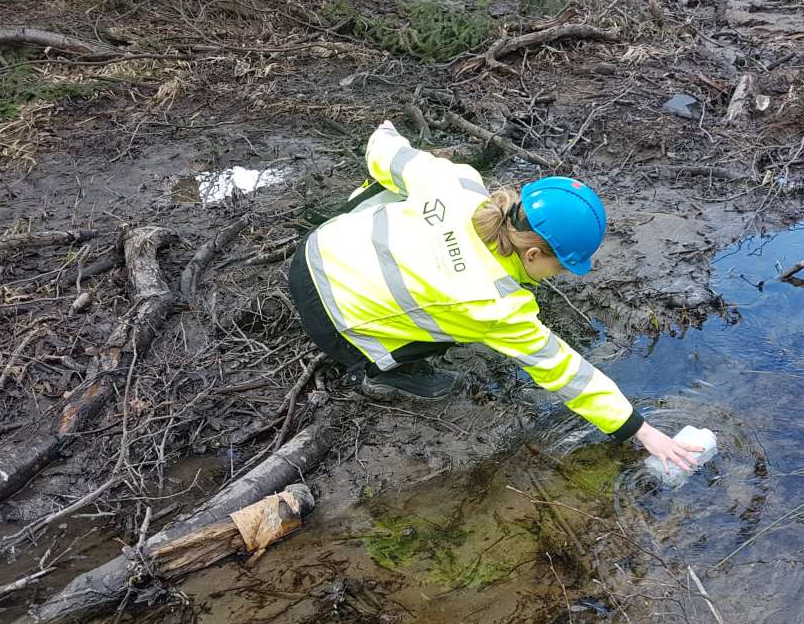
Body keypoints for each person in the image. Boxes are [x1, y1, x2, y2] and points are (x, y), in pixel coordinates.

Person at [287, 120, 701, 472]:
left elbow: (385, 148)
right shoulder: (496, 306)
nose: (561, 276)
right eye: (561, 267)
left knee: (398, 187)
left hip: (316, 249)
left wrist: (386, 133)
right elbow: (565, 372)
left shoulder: (460, 183)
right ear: (534, 254)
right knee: (451, 329)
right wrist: (642, 431)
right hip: (332, 318)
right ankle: (379, 372)